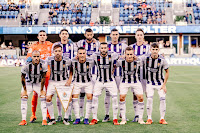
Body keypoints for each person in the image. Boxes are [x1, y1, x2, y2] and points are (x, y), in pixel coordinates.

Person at [89, 42, 120, 125]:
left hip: (110, 80)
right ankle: (94, 118)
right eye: (102, 48)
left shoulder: (113, 55)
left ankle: (115, 118)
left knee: (114, 98)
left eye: (105, 48)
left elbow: (119, 59)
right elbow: (89, 63)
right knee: (95, 98)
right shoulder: (95, 56)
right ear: (99, 48)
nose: (103, 49)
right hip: (99, 80)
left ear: (107, 48)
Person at [26, 30, 53, 123]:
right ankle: (33, 114)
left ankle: (48, 114)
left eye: (44, 35)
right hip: (37, 75)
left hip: (48, 74)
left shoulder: (50, 45)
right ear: (38, 37)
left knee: (47, 95)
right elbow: (28, 59)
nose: (42, 36)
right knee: (35, 94)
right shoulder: (33, 46)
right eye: (40, 35)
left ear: (46, 37)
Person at [140, 43, 169, 125]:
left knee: (162, 99)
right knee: (149, 99)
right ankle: (149, 118)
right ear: (150, 50)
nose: (155, 51)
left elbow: (167, 72)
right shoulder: (146, 57)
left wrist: (164, 84)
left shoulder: (162, 59)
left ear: (159, 50)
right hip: (149, 83)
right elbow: (137, 59)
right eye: (153, 49)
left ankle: (162, 118)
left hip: (160, 83)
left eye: (156, 49)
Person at [51, 29, 77, 122]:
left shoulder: (73, 45)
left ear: (68, 35)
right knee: (58, 96)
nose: (64, 35)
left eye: (66, 34)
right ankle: (59, 114)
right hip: (58, 75)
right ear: (60, 35)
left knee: (69, 95)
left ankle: (68, 115)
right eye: (63, 34)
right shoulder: (55, 45)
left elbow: (74, 58)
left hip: (70, 73)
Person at [103, 28, 127, 122]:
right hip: (109, 74)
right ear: (110, 35)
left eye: (116, 34)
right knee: (108, 94)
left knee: (121, 94)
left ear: (118, 35)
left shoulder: (124, 46)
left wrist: (122, 57)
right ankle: (107, 114)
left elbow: (126, 56)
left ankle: (121, 113)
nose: (115, 36)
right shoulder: (106, 46)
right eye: (113, 34)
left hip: (121, 74)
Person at [116, 47, 145, 125]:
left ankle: (140, 118)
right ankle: (123, 119)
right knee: (122, 97)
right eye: (127, 54)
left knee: (141, 98)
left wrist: (137, 58)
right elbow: (113, 64)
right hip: (124, 81)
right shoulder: (120, 61)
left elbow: (145, 61)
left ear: (133, 54)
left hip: (135, 82)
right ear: (125, 54)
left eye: (131, 54)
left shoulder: (138, 61)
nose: (129, 56)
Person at [46, 44, 73, 125]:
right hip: (52, 81)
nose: (58, 53)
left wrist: (69, 79)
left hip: (63, 81)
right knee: (48, 98)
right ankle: (52, 119)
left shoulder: (67, 60)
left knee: (68, 99)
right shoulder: (49, 59)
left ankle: (66, 118)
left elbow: (72, 69)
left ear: (62, 52)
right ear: (53, 52)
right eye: (56, 51)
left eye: (59, 51)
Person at [76, 28, 100, 121]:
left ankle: (93, 115)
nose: (89, 36)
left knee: (93, 95)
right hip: (82, 73)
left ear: (93, 34)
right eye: (88, 34)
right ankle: (81, 115)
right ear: (85, 35)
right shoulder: (79, 43)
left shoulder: (97, 43)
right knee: (82, 94)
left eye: (91, 34)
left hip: (94, 73)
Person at [18, 50, 47, 126]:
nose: (36, 58)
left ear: (40, 57)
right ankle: (23, 120)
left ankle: (44, 120)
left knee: (43, 98)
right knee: (24, 97)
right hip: (28, 83)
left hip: (38, 83)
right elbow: (22, 77)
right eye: (34, 56)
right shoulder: (26, 65)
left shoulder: (43, 64)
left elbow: (44, 77)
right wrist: (24, 90)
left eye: (38, 56)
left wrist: (41, 90)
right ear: (31, 57)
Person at [129, 28, 150, 122]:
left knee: (146, 94)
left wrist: (139, 58)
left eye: (141, 35)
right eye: (138, 35)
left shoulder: (148, 47)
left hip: (145, 74)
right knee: (135, 94)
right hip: (134, 74)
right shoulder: (131, 47)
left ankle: (146, 115)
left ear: (143, 36)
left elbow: (150, 58)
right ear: (135, 36)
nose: (139, 37)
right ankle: (136, 115)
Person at [71, 47, 94, 125]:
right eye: (80, 53)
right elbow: (70, 69)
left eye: (83, 53)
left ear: (86, 54)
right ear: (77, 54)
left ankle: (86, 118)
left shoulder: (90, 61)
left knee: (89, 97)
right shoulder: (73, 61)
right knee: (74, 98)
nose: (82, 55)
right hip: (77, 82)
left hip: (88, 82)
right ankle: (77, 118)